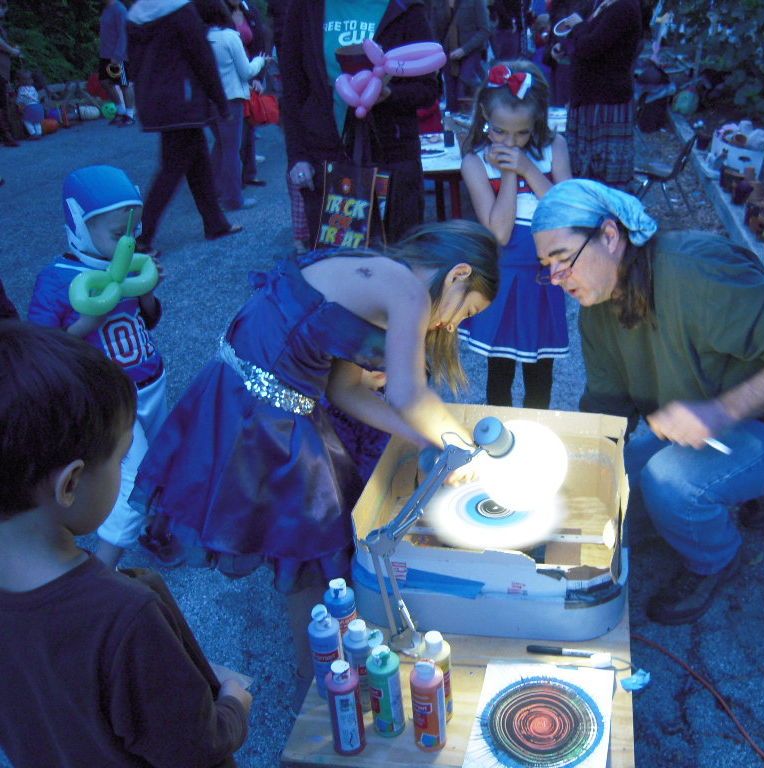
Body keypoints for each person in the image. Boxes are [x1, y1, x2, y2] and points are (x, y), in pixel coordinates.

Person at [130, 219, 499, 690]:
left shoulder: (376, 274)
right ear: (457, 274)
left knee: (305, 551)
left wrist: (431, 439)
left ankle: (322, 668)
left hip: (248, 401)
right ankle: (319, 683)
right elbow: (410, 393)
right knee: (309, 547)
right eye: (466, 312)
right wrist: (460, 442)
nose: (452, 324)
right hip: (261, 416)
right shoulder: (407, 290)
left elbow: (345, 391)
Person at [531, 180, 764, 625]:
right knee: (613, 496)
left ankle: (715, 561)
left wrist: (721, 411)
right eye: (547, 267)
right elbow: (608, 407)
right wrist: (570, 467)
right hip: (707, 431)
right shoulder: (596, 308)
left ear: (609, 235)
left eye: (564, 259)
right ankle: (738, 493)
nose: (558, 279)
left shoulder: (694, 268)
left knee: (671, 482)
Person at [0, 321, 252, 767]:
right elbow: (197, 747)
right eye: (120, 456)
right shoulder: (124, 618)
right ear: (71, 484)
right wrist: (233, 704)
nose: (125, 468)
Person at [27, 165, 168, 569]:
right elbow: (43, 346)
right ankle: (102, 564)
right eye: (116, 234)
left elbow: (149, 320)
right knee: (132, 480)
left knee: (160, 461)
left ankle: (157, 525)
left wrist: (147, 297)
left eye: (133, 233)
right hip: (110, 399)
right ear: (81, 227)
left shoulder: (131, 266)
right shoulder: (58, 280)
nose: (128, 242)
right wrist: (86, 322)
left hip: (151, 382)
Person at [459, 61, 571, 409]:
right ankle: (501, 445)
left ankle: (537, 443)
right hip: (503, 279)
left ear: (536, 121)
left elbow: (567, 209)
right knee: (500, 372)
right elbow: (499, 233)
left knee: (540, 374)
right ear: (483, 115)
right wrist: (509, 174)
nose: (511, 142)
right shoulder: (475, 163)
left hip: (543, 277)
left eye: (521, 133)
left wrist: (527, 167)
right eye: (500, 132)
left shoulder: (555, 148)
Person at [281, 0, 438, 249]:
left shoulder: (405, 8)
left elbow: (428, 89)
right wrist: (298, 155)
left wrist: (388, 95)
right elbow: (293, 86)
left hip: (392, 157)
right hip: (327, 156)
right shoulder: (305, 7)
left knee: (398, 257)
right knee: (335, 264)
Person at [128, 0, 243, 256]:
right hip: (182, 98)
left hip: (155, 99)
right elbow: (201, 57)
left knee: (197, 159)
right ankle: (142, 238)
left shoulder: (137, 16)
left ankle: (215, 223)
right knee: (171, 169)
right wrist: (222, 103)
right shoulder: (181, 11)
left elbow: (133, 64)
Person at [554, 0, 643, 187]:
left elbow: (590, 46)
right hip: (591, 100)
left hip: (605, 104)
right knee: (585, 171)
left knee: (603, 175)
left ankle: (605, 214)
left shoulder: (624, 7)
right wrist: (566, 48)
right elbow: (592, 42)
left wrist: (577, 25)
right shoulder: (603, 4)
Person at [200, 0, 266, 211]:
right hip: (231, 99)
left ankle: (214, 190)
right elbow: (246, 71)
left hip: (209, 99)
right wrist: (261, 61)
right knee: (231, 150)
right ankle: (234, 198)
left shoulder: (202, 39)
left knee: (219, 145)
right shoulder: (229, 37)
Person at [225, 0, 269, 188]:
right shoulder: (219, 12)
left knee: (250, 126)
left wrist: (258, 76)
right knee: (233, 135)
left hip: (250, 70)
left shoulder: (249, 9)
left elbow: (260, 41)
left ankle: (249, 174)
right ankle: (230, 183)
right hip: (231, 75)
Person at [427, 0, 491, 113]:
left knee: (463, 89)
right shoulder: (437, 3)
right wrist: (436, 55)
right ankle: (452, 123)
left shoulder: (476, 2)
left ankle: (469, 120)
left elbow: (484, 30)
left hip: (471, 52)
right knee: (451, 94)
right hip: (447, 54)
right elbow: (434, 31)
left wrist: (464, 49)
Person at [99, 0, 136, 126]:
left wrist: (118, 54)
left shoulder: (119, 9)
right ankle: (120, 111)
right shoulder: (106, 9)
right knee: (105, 82)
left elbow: (123, 34)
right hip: (105, 55)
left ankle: (130, 115)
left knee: (124, 84)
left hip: (117, 55)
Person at [0, 0, 23, 147]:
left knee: (3, 102)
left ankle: (7, 134)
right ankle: (7, 135)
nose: (3, 9)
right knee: (1, 104)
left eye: (4, 6)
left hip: (3, 70)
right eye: (1, 6)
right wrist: (12, 51)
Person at [15, 69, 43, 138]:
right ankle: (39, 133)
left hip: (29, 107)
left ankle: (33, 133)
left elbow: (20, 99)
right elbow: (36, 96)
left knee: (26, 121)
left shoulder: (21, 89)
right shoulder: (33, 88)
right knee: (36, 121)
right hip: (38, 106)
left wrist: (18, 103)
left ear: (20, 81)